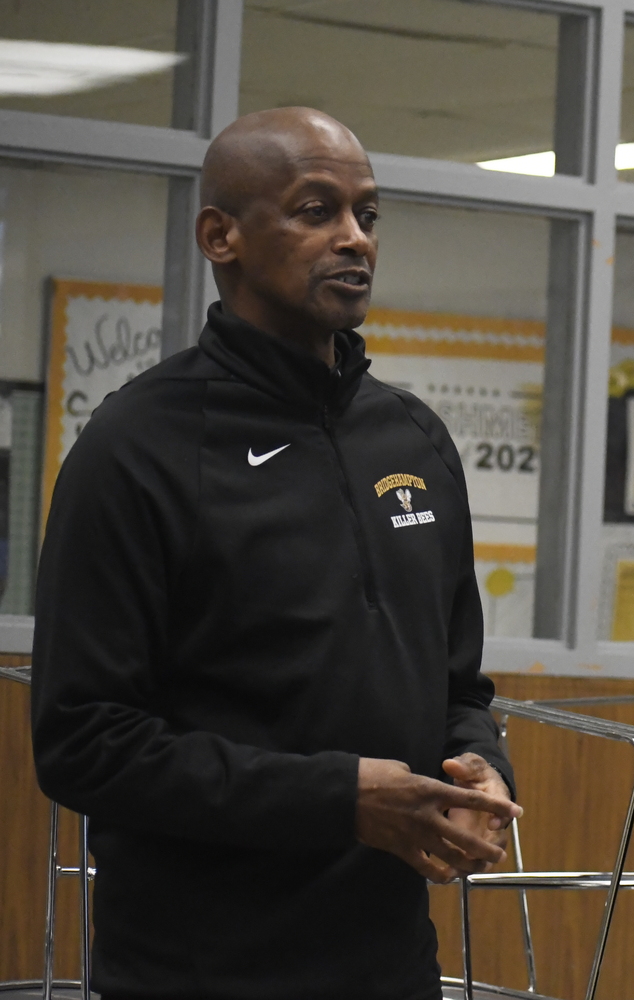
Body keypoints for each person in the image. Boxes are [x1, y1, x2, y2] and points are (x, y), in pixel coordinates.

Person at [30, 107, 521, 1000]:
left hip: (390, 969)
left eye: (367, 216)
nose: (353, 240)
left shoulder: (413, 438)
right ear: (221, 236)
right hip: (199, 974)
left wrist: (477, 760)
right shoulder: (138, 446)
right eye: (314, 210)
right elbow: (83, 743)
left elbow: (456, 686)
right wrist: (339, 799)